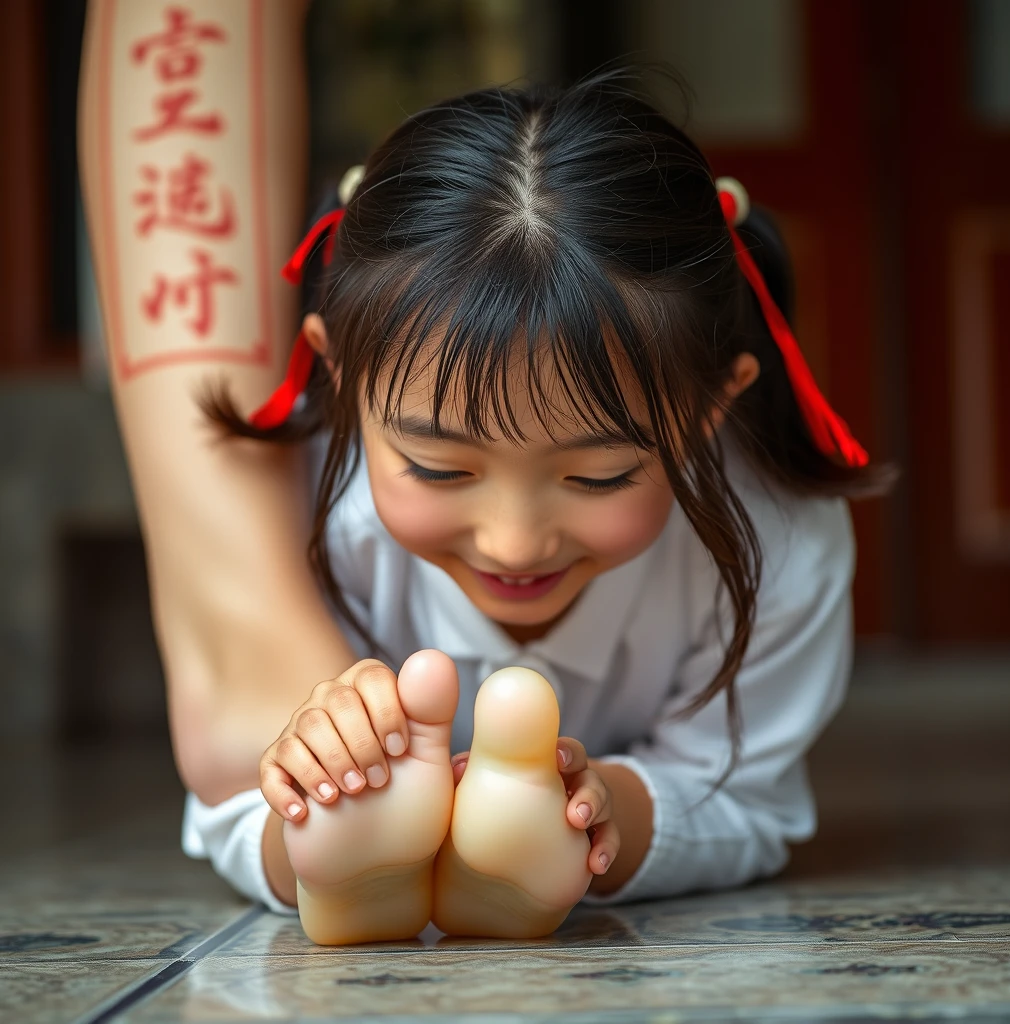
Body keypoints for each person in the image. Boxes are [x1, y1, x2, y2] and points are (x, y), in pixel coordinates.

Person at [80, 1, 891, 930]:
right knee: (286, 778)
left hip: (578, 819)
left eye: (595, 477)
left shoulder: (778, 534)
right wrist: (309, 786)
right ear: (340, 380)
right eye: (436, 468)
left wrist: (604, 815)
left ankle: (503, 851)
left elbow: (745, 796)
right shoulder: (292, 498)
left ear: (713, 406)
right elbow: (224, 780)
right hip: (335, 802)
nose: (514, 541)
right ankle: (338, 856)